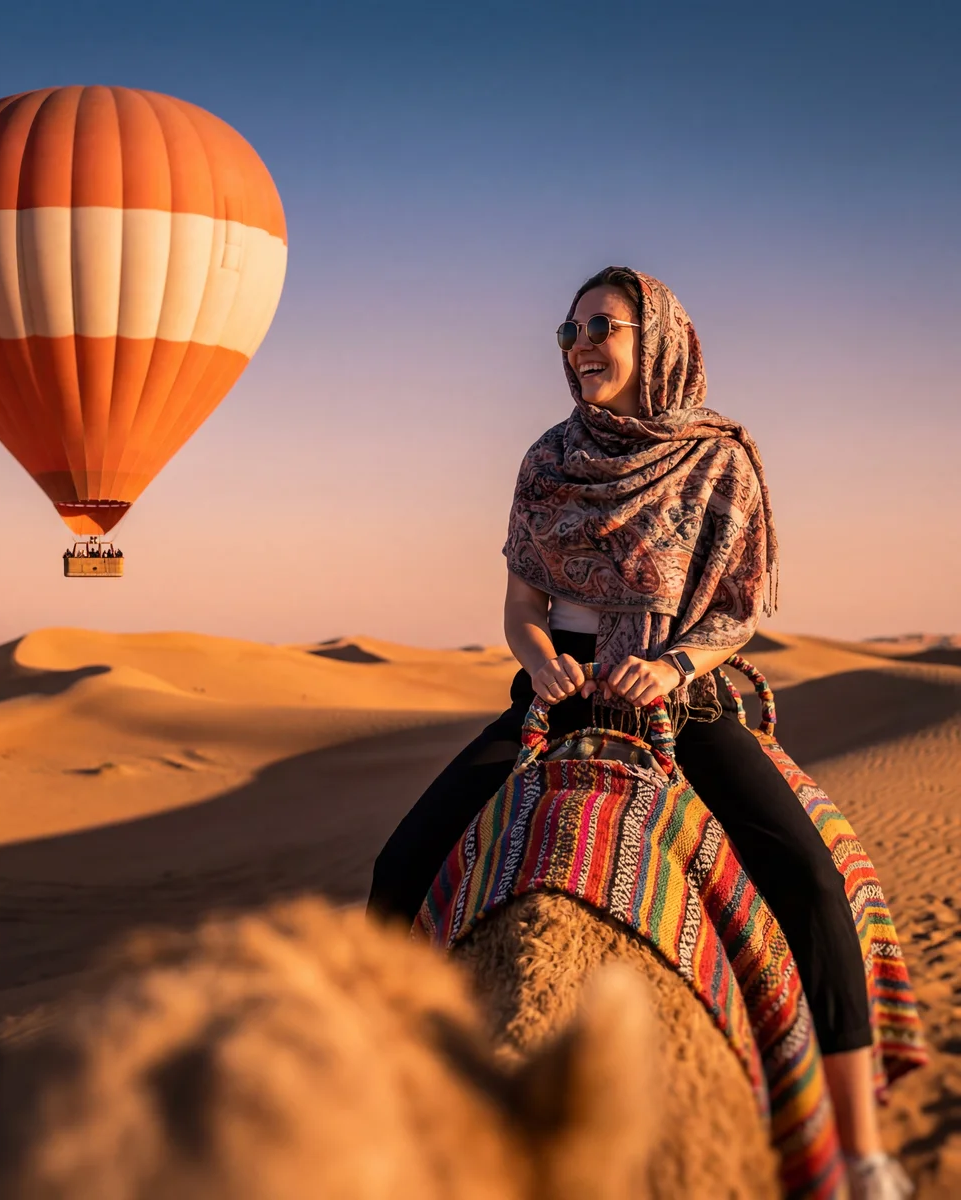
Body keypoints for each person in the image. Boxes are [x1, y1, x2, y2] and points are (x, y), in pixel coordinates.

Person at [367, 267, 913, 1200]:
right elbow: (521, 606)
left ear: (657, 338)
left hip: (677, 697)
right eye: (569, 332)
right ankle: (375, 1101)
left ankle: (860, 1149)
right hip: (559, 694)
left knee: (815, 883)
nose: (580, 347)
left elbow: (737, 611)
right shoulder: (546, 461)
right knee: (398, 869)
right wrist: (540, 660)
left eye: (601, 328)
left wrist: (672, 667)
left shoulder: (718, 460)